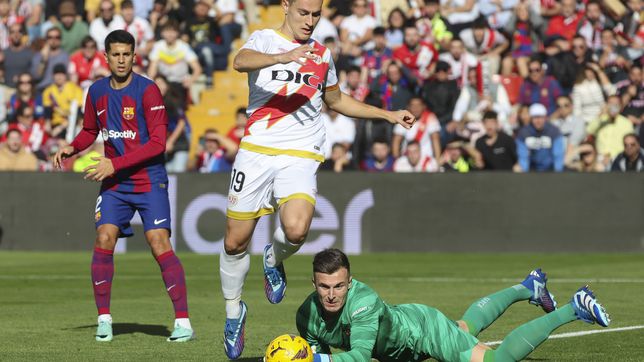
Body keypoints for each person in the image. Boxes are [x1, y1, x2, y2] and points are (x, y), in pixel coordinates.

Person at [221, 0, 415, 358]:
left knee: (296, 230)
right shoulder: (263, 40)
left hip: (301, 153)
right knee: (234, 243)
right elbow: (239, 62)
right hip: (256, 150)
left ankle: (272, 259)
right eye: (303, 13)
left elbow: (337, 100)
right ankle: (235, 312)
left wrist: (386, 115)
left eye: (316, 15)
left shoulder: (322, 55)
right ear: (286, 6)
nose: (310, 21)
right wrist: (282, 57)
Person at [52, 30, 194, 343]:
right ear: (106, 56)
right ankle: (104, 319)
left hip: (148, 179)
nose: (121, 60)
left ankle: (183, 321)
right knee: (104, 237)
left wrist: (113, 163)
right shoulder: (96, 91)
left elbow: (158, 144)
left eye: (126, 54)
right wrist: (71, 147)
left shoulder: (148, 90)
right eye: (115, 54)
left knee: (158, 242)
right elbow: (90, 130)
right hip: (115, 183)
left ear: (133, 56)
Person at [297, 248, 611, 362]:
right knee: (463, 328)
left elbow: (360, 357)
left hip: (422, 332)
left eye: (339, 285)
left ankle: (574, 307)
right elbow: (317, 352)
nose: (332, 294)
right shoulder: (307, 317)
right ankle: (528, 287)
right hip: (406, 341)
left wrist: (308, 361)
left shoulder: (361, 302)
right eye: (324, 286)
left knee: (496, 360)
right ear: (313, 285)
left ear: (350, 282)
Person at [516, 103, 565, 172]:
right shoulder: (524, 132)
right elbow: (523, 156)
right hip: (531, 169)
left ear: (545, 118)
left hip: (550, 170)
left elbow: (558, 155)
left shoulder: (554, 131)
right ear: (531, 118)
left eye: (541, 117)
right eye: (535, 117)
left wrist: (557, 173)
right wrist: (525, 175)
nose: (538, 121)